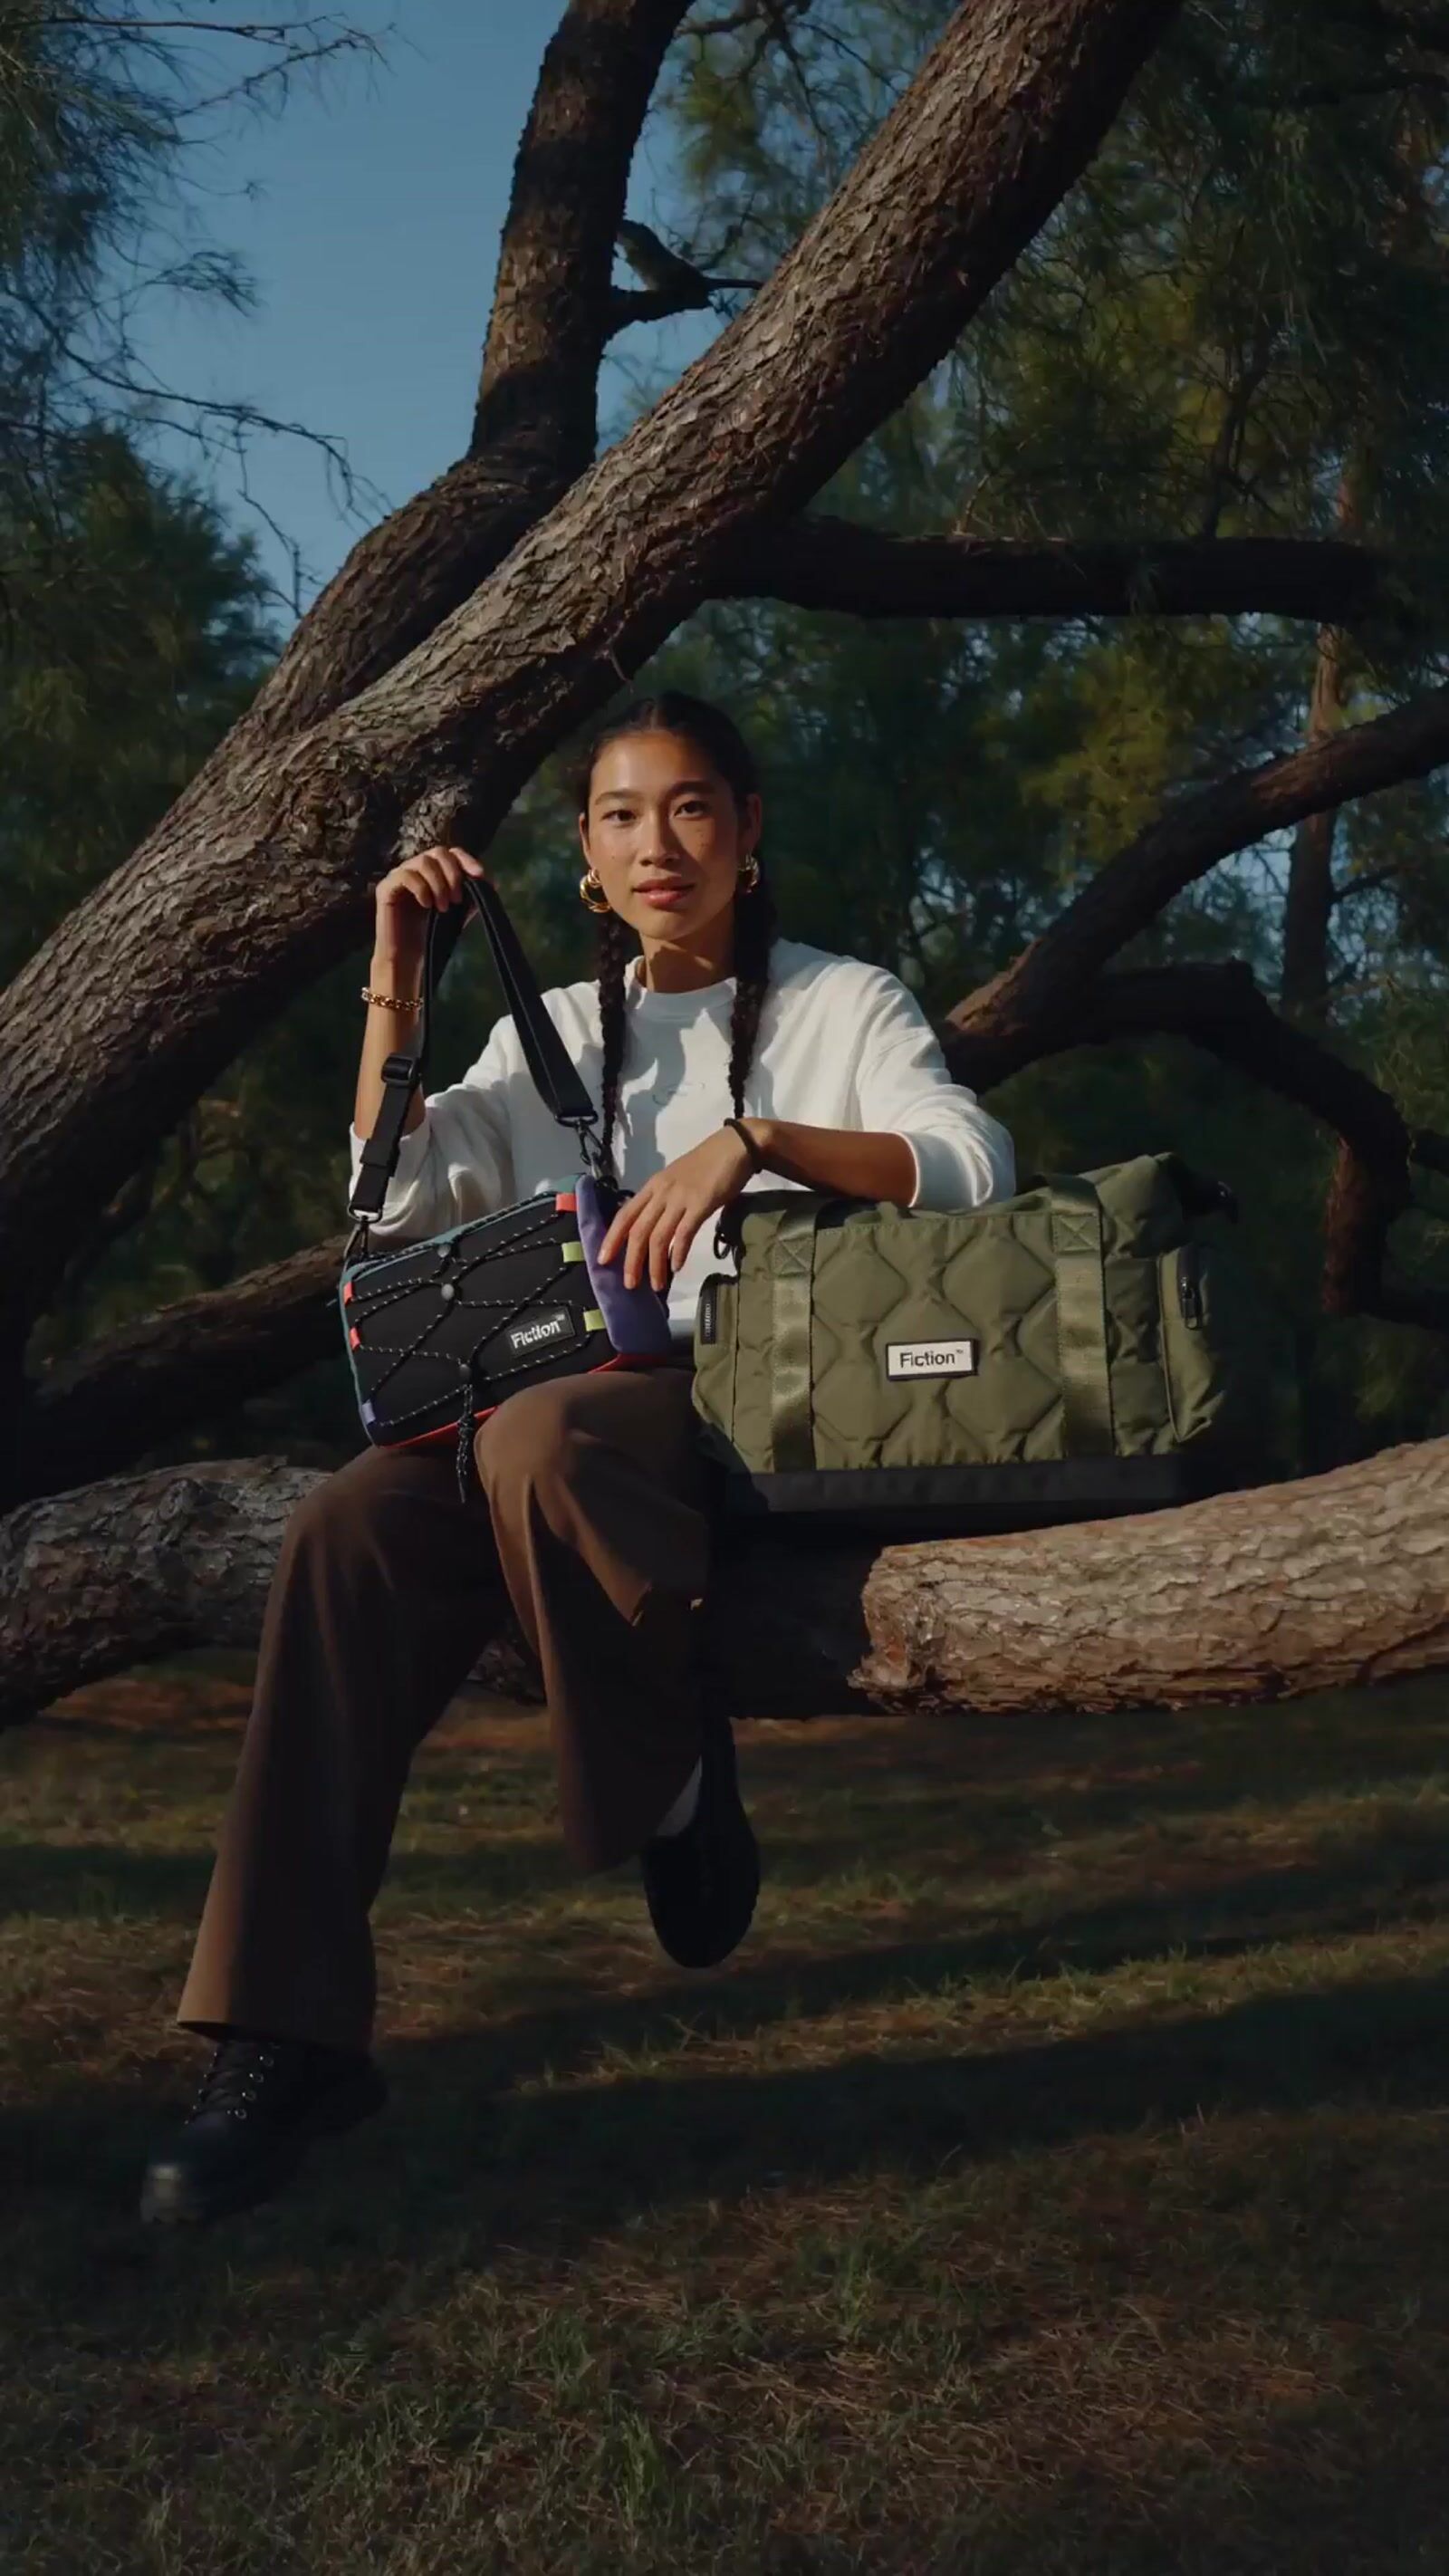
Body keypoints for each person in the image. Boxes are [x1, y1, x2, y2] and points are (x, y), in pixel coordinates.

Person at [139, 690, 1016, 2225]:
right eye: (620, 817)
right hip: (517, 1414)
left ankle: (670, 1796)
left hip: (729, 1399)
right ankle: (284, 2039)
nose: (656, 842)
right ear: (587, 864)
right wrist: (393, 984)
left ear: (747, 837)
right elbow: (393, 1198)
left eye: (690, 808)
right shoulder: (543, 1029)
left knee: (546, 1433)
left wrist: (756, 1142)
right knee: (343, 1529)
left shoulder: (839, 1003)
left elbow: (971, 1164)